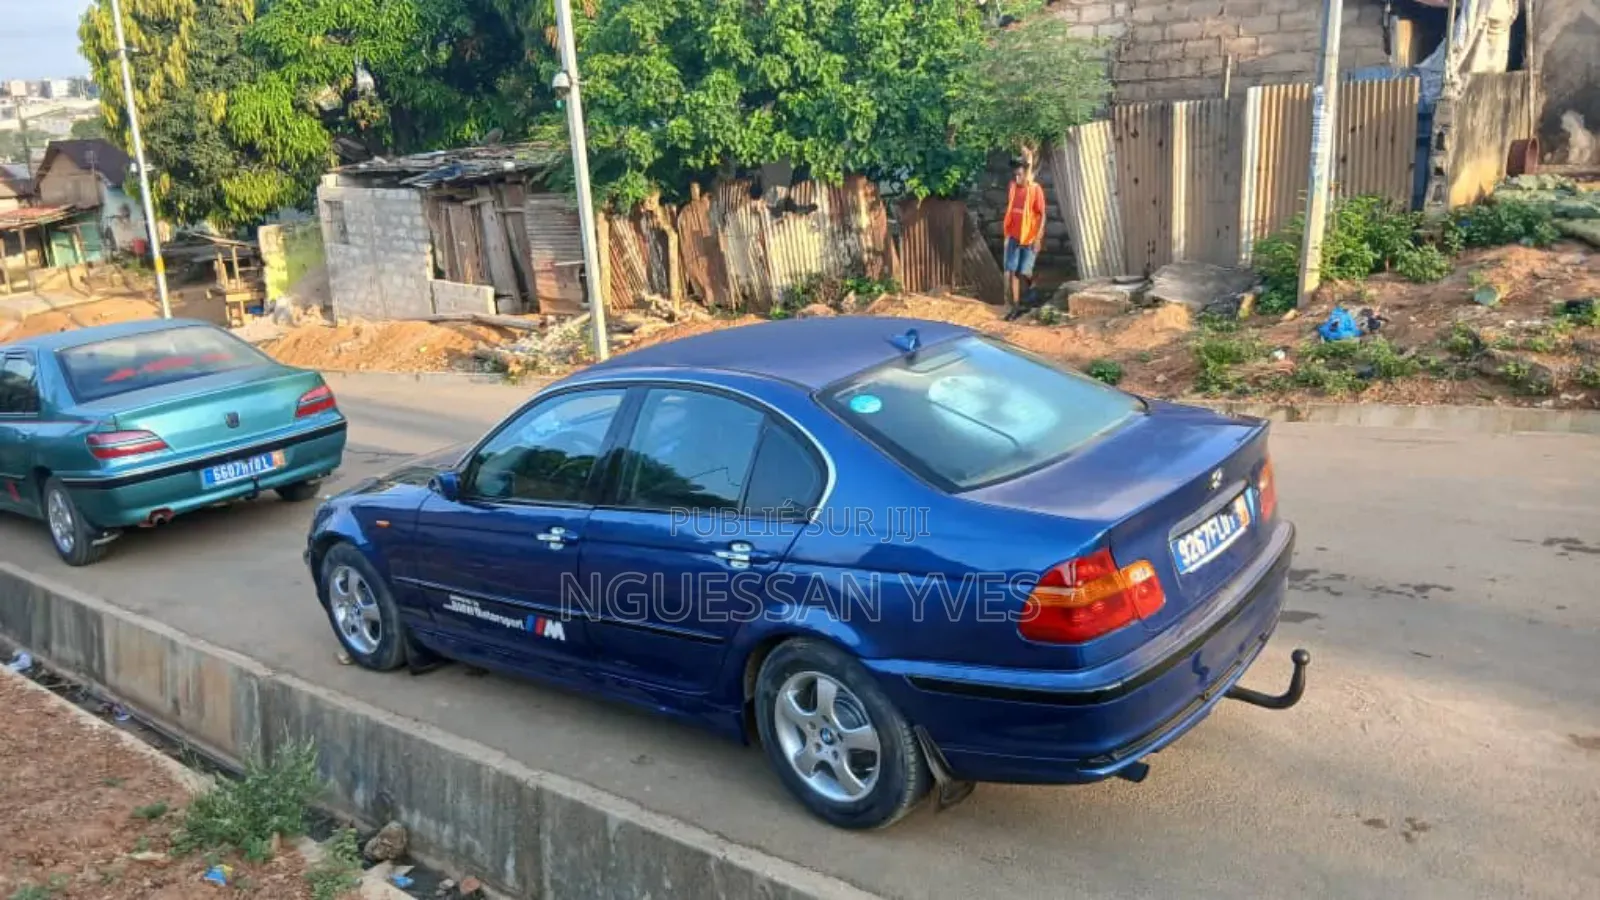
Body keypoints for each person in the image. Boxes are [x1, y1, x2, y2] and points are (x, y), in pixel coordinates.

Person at [1002, 158, 1046, 315]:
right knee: (1013, 271)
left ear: (1027, 174)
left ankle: (1032, 289)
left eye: (1019, 175)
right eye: (1015, 175)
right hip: (1014, 236)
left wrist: (1038, 238)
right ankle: (1016, 306)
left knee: (1024, 272)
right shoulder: (1012, 187)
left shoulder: (1035, 190)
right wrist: (1007, 234)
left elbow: (1042, 215)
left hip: (1029, 238)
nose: (1017, 178)